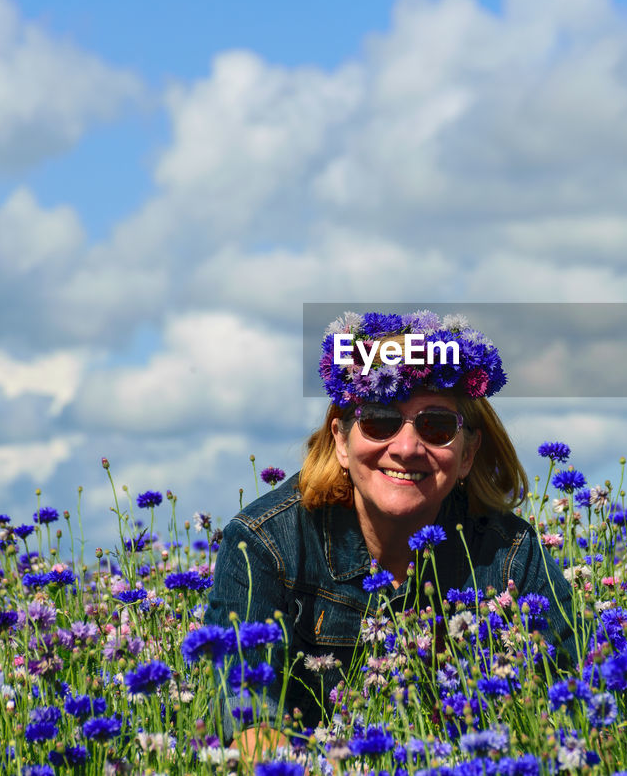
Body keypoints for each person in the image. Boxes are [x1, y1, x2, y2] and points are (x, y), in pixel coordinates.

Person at [202, 310, 577, 760]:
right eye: (379, 419)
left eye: (437, 426)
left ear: (467, 454)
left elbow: (572, 701)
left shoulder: (509, 555)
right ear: (340, 439)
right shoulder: (265, 544)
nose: (405, 447)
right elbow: (250, 723)